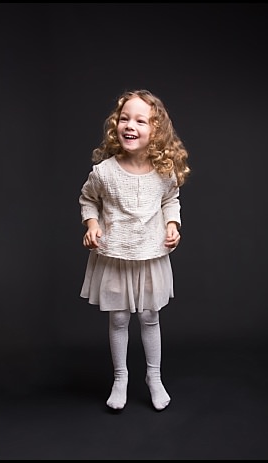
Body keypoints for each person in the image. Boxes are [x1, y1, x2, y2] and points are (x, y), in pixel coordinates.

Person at [79, 89, 191, 411]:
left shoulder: (163, 171)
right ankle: (120, 378)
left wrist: (172, 225)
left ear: (155, 130)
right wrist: (92, 224)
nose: (131, 125)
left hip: (150, 254)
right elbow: (88, 199)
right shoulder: (104, 172)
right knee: (118, 318)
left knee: (149, 316)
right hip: (115, 254)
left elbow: (171, 200)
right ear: (116, 124)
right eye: (125, 118)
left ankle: (153, 377)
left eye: (141, 120)